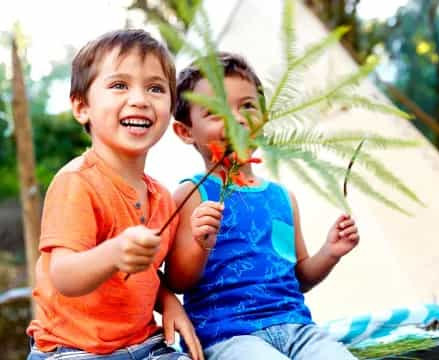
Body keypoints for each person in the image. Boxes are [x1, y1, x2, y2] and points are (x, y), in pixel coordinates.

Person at [26, 29, 216, 360]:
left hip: (144, 345)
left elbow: (148, 271)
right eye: (119, 85)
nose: (140, 99)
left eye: (156, 88)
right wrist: (113, 253)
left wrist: (168, 300)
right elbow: (64, 275)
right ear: (82, 107)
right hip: (73, 350)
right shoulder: (77, 182)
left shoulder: (162, 197)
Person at [166, 52, 360, 359]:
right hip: (228, 337)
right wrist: (200, 244)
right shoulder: (191, 195)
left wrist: (329, 253)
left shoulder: (282, 198)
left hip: (298, 330)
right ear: (185, 131)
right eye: (216, 112)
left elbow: (298, 277)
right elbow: (176, 281)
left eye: (247, 107)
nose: (238, 120)